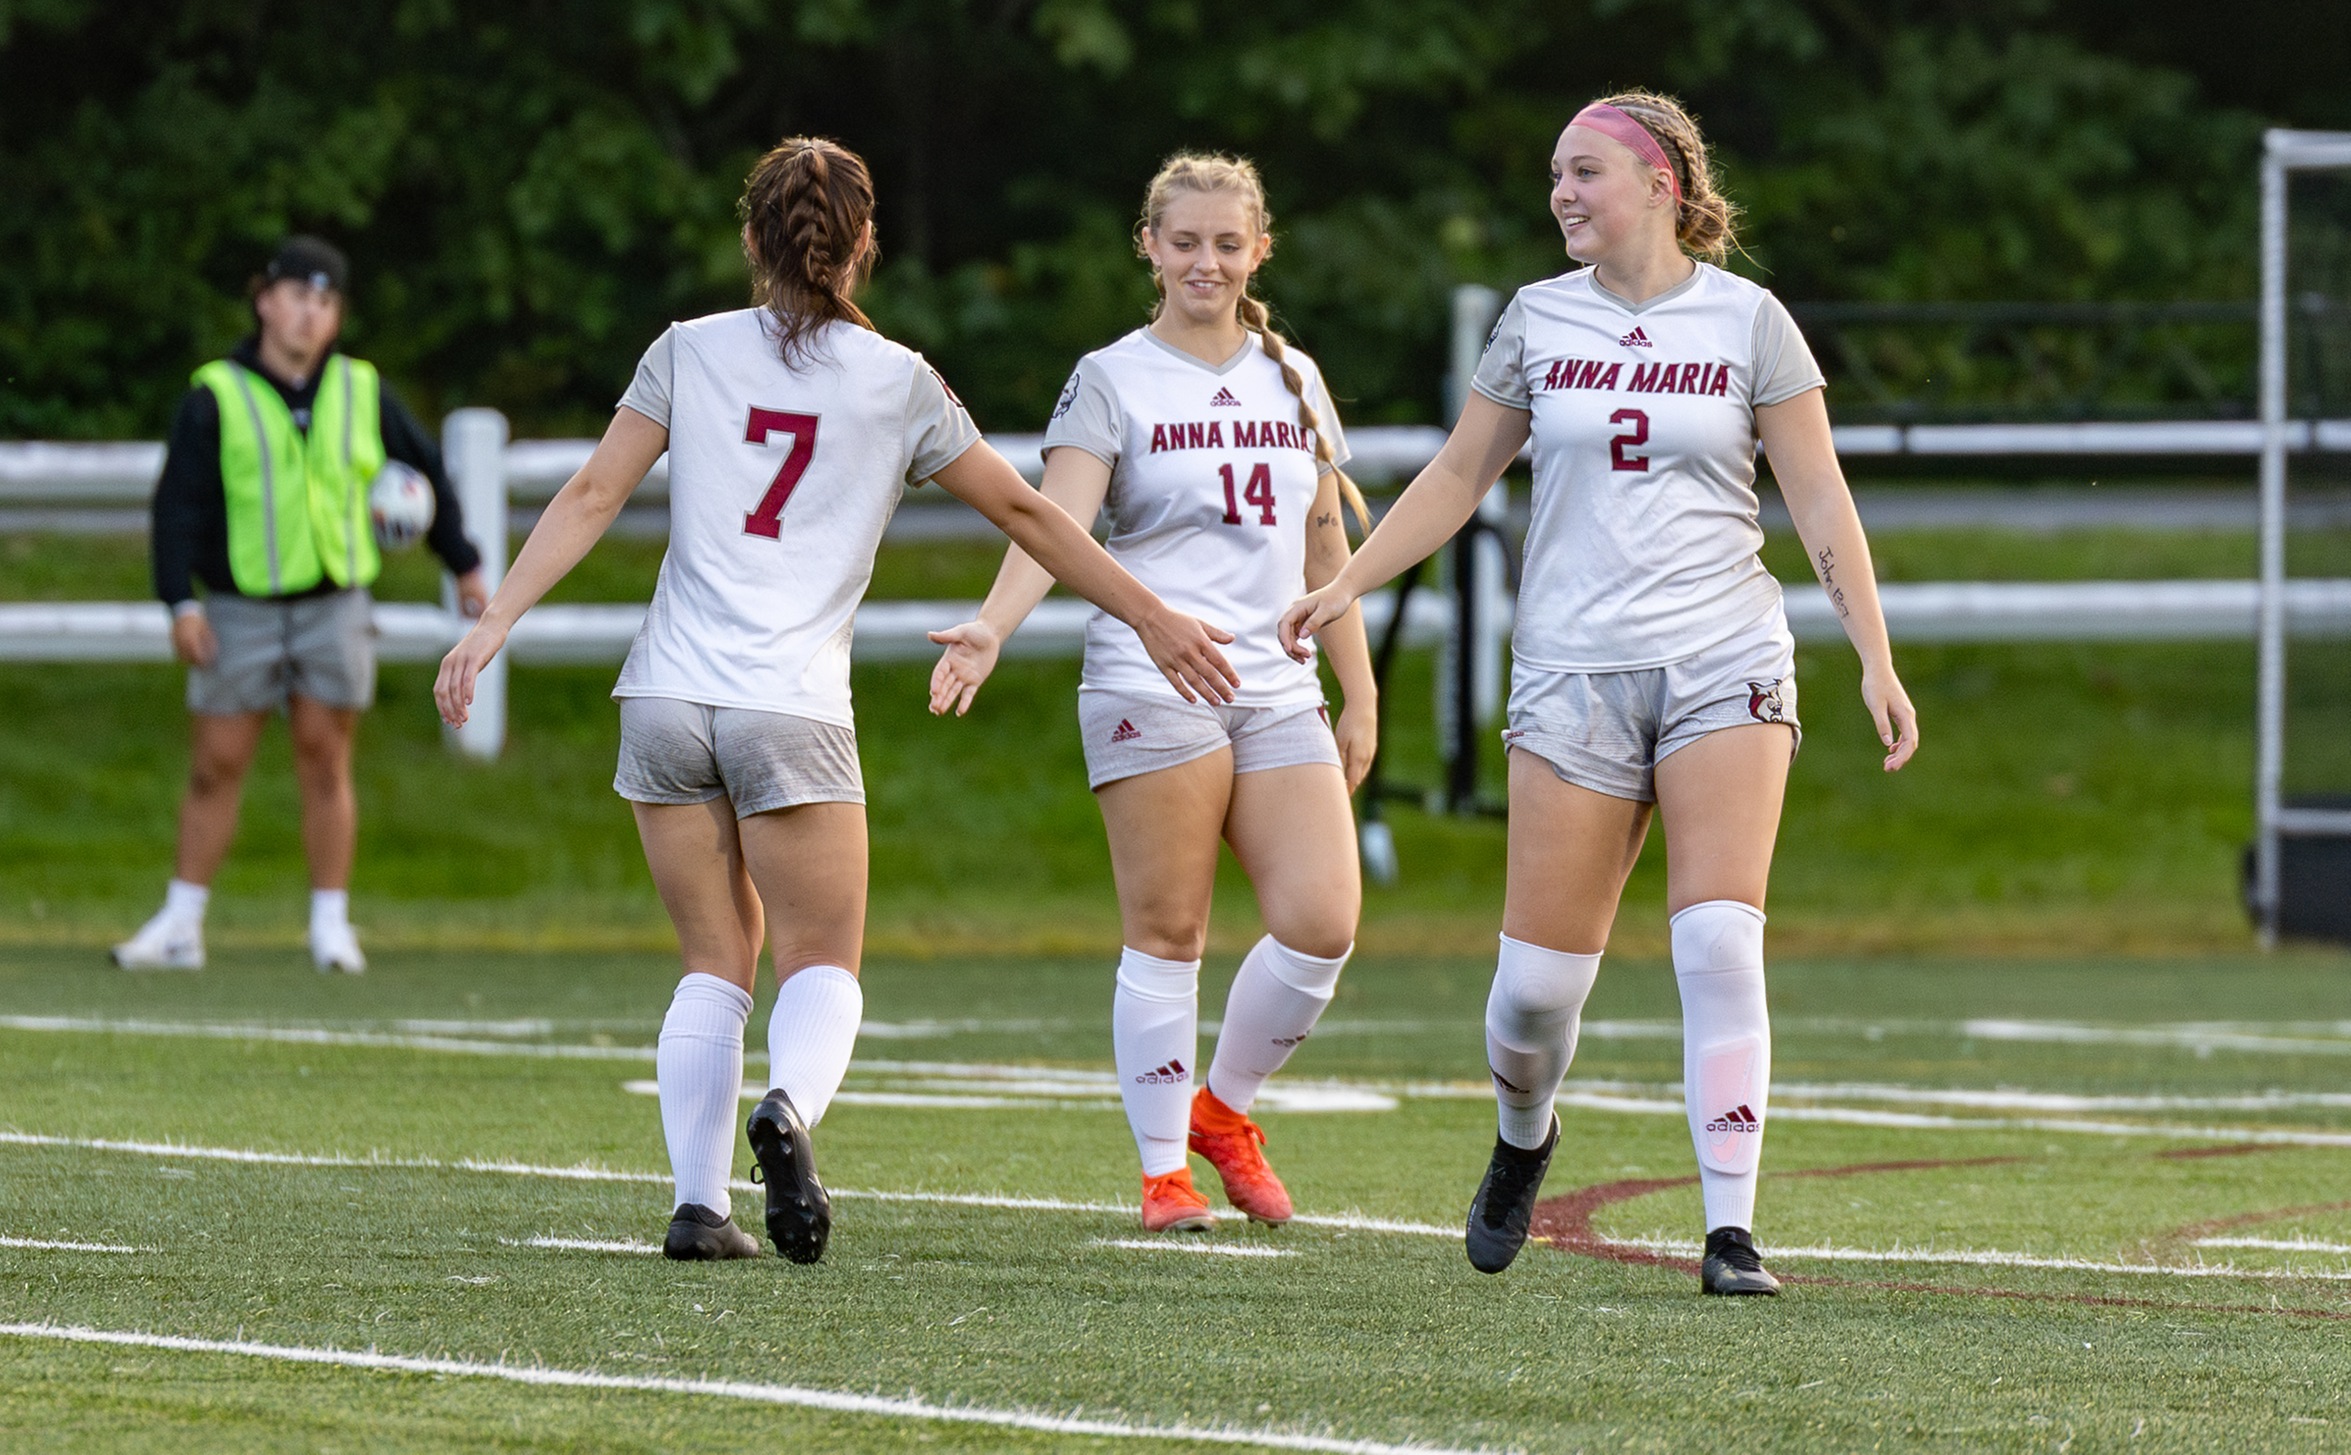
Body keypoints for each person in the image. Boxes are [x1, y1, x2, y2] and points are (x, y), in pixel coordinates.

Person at [434, 137, 1239, 1265]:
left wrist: (493, 621)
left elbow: (590, 492)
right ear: (863, 245)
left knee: (712, 959)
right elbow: (1027, 514)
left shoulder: (687, 349)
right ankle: (791, 1111)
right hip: (788, 707)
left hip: (664, 695)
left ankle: (697, 1205)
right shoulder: (898, 378)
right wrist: (1150, 613)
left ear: (749, 237)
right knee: (821, 961)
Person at [1281, 93, 1920, 1295]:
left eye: (1583, 172)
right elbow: (1460, 471)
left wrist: (1872, 657)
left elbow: (1820, 498)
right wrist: (1343, 586)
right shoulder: (1535, 318)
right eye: (1554, 176)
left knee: (1719, 939)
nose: (1561, 194)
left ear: (1660, 185)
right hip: (1572, 668)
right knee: (1533, 996)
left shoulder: (1748, 320)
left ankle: (1729, 1230)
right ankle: (1525, 1136)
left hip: (1722, 658)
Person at [927, 153, 1379, 1234]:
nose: (1205, 263)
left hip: (1277, 683)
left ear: (1257, 250)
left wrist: (1355, 688)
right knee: (1169, 928)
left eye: (1227, 244)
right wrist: (993, 623)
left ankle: (1225, 1110)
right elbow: (1055, 525)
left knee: (1322, 921)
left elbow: (1327, 542)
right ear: (1149, 246)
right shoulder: (1110, 376)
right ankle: (1164, 1174)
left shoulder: (1294, 375)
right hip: (1152, 670)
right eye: (1184, 242)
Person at [117, 236, 488, 975]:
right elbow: (176, 506)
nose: (308, 314)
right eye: (296, 296)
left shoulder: (359, 388)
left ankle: (329, 925)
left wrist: (464, 560)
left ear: (337, 313)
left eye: (324, 301)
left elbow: (428, 469)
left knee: (326, 759)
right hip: (239, 603)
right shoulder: (215, 393)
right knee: (215, 763)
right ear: (264, 301)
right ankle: (183, 920)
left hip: (334, 603)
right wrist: (178, 604)